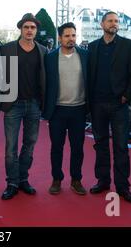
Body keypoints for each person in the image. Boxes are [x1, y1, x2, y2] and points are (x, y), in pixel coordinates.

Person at [87, 11, 131, 203]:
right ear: (102, 24)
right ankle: (102, 181)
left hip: (119, 104)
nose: (114, 24)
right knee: (100, 144)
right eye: (110, 21)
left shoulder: (128, 46)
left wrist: (127, 96)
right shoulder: (93, 47)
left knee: (120, 146)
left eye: (116, 21)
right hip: (97, 104)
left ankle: (123, 187)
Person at [0, 13, 47, 200]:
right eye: (26, 27)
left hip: (34, 104)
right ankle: (11, 182)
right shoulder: (7, 48)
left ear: (36, 30)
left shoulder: (43, 50)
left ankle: (23, 179)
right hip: (13, 104)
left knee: (29, 145)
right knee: (11, 147)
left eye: (32, 27)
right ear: (20, 29)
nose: (29, 30)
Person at [43, 22, 88, 196]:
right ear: (60, 38)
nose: (71, 39)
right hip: (58, 110)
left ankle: (76, 180)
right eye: (67, 36)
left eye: (73, 35)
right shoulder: (50, 57)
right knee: (57, 147)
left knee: (78, 148)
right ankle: (57, 179)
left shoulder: (85, 55)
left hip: (79, 109)